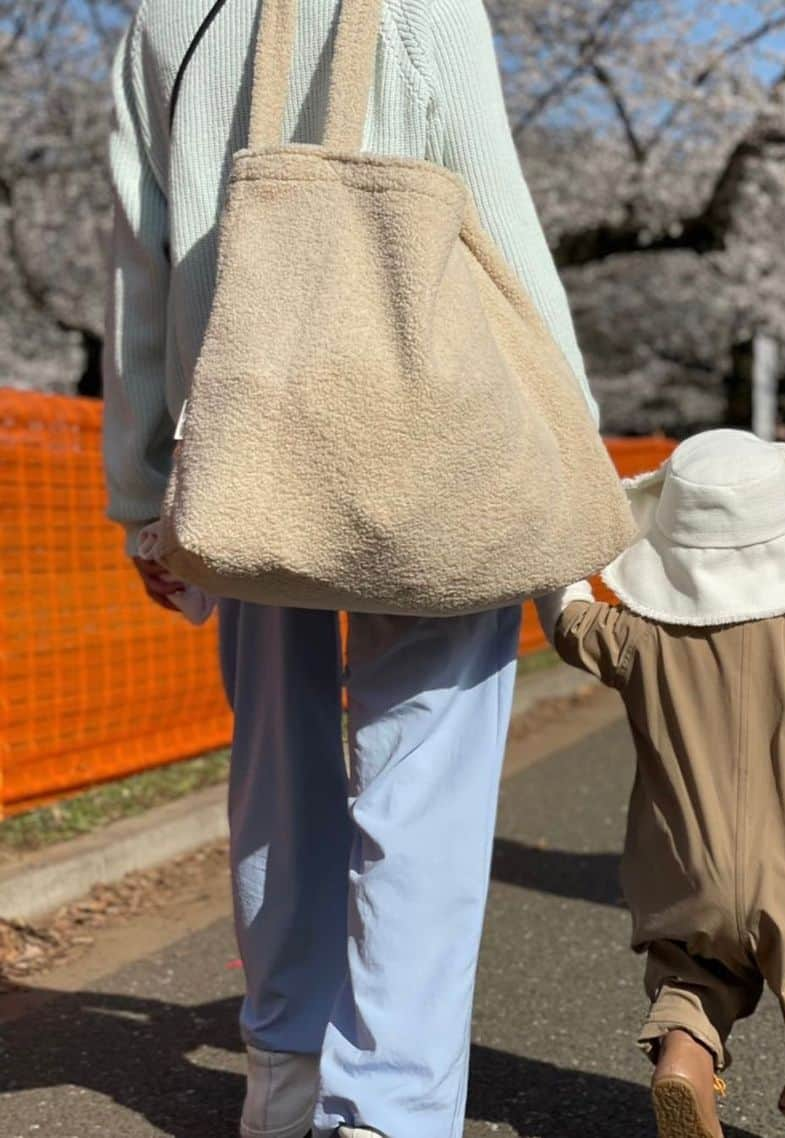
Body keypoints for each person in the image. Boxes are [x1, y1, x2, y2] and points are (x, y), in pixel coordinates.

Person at [103, 2, 597, 1136]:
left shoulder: (161, 19)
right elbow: (505, 233)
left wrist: (142, 494)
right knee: (423, 775)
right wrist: (573, 468)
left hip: (239, 452)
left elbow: (137, 254)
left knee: (274, 765)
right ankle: (386, 1107)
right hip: (431, 450)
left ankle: (283, 1070)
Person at [538, 430, 785, 1138]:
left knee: (693, 975)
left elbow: (567, 618)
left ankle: (685, 1061)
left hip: (689, 866)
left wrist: (558, 553)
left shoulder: (639, 640)